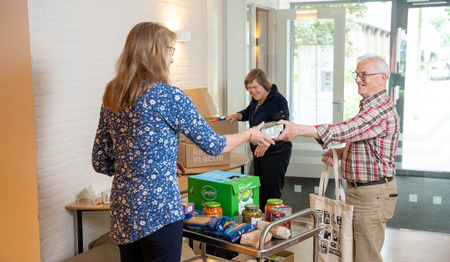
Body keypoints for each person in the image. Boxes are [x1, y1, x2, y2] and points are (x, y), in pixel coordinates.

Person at [91, 22, 274, 262]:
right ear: (156, 53)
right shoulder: (169, 96)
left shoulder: (112, 94)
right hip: (159, 212)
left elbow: (100, 162)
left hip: (123, 211)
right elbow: (215, 145)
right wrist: (249, 134)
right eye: (170, 50)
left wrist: (155, 161)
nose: (172, 59)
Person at [274, 54, 400, 262]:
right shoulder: (369, 105)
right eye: (357, 74)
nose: (358, 79)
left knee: (365, 256)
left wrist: (297, 130)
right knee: (352, 251)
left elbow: (347, 129)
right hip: (361, 192)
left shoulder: (379, 110)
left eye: (364, 75)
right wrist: (342, 152)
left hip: (371, 195)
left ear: (382, 78)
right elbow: (364, 138)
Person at [227, 68, 292, 207]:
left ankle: (275, 225)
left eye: (255, 87)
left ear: (264, 84)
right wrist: (238, 115)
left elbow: (281, 127)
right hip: (260, 152)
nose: (252, 91)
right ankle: (262, 222)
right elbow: (251, 111)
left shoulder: (278, 101)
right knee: (261, 190)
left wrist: (264, 144)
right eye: (249, 88)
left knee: (272, 194)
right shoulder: (258, 100)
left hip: (276, 153)